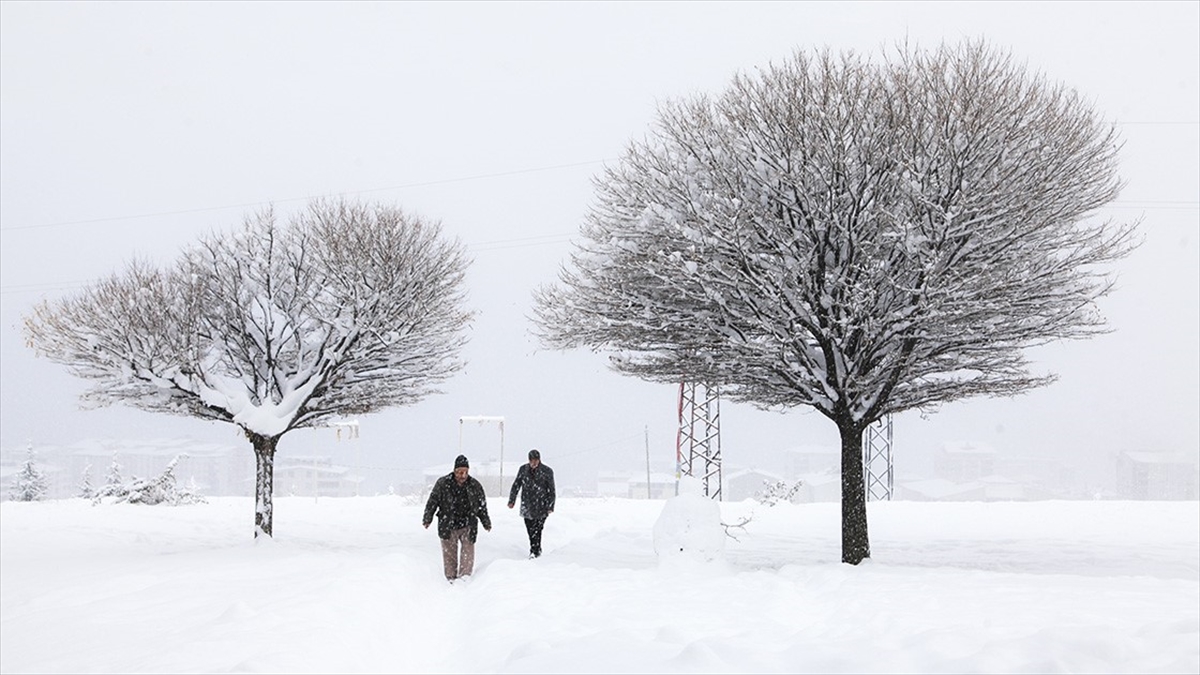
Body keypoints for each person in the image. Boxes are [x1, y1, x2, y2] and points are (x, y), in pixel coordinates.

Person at [423, 454, 491, 582]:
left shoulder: (474, 485)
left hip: (468, 524)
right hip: (448, 524)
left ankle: (465, 578)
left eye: (465, 472)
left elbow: (481, 506)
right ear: (454, 471)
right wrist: (428, 518)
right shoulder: (443, 484)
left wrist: (486, 522)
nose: (463, 476)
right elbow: (432, 502)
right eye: (460, 472)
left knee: (468, 554)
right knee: (449, 556)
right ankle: (450, 579)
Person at [507, 448, 556, 558]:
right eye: (532, 460)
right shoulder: (523, 470)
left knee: (538, 528)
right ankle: (535, 548)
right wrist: (512, 500)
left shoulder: (547, 471)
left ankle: (535, 550)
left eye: (536, 460)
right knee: (530, 528)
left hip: (541, 505)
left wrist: (550, 505)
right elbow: (516, 485)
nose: (534, 463)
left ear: (539, 460)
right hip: (527, 504)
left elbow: (551, 490)